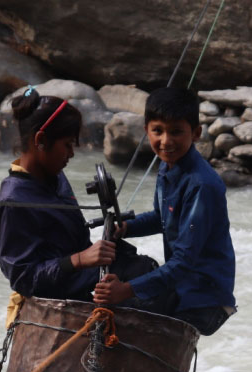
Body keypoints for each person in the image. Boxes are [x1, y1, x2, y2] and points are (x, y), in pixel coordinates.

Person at [0, 87, 153, 325]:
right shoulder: (14, 202)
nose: (71, 154)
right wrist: (79, 260)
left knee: (140, 266)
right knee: (140, 278)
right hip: (56, 293)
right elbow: (23, 277)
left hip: (77, 278)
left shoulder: (53, 176)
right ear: (41, 141)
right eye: (67, 145)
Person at [93, 86, 236, 336]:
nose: (166, 141)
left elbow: (184, 262)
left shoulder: (202, 185)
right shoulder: (168, 166)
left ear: (196, 133)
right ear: (146, 130)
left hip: (203, 298)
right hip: (183, 285)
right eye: (158, 131)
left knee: (118, 317)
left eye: (176, 132)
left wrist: (126, 289)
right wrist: (125, 227)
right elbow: (162, 218)